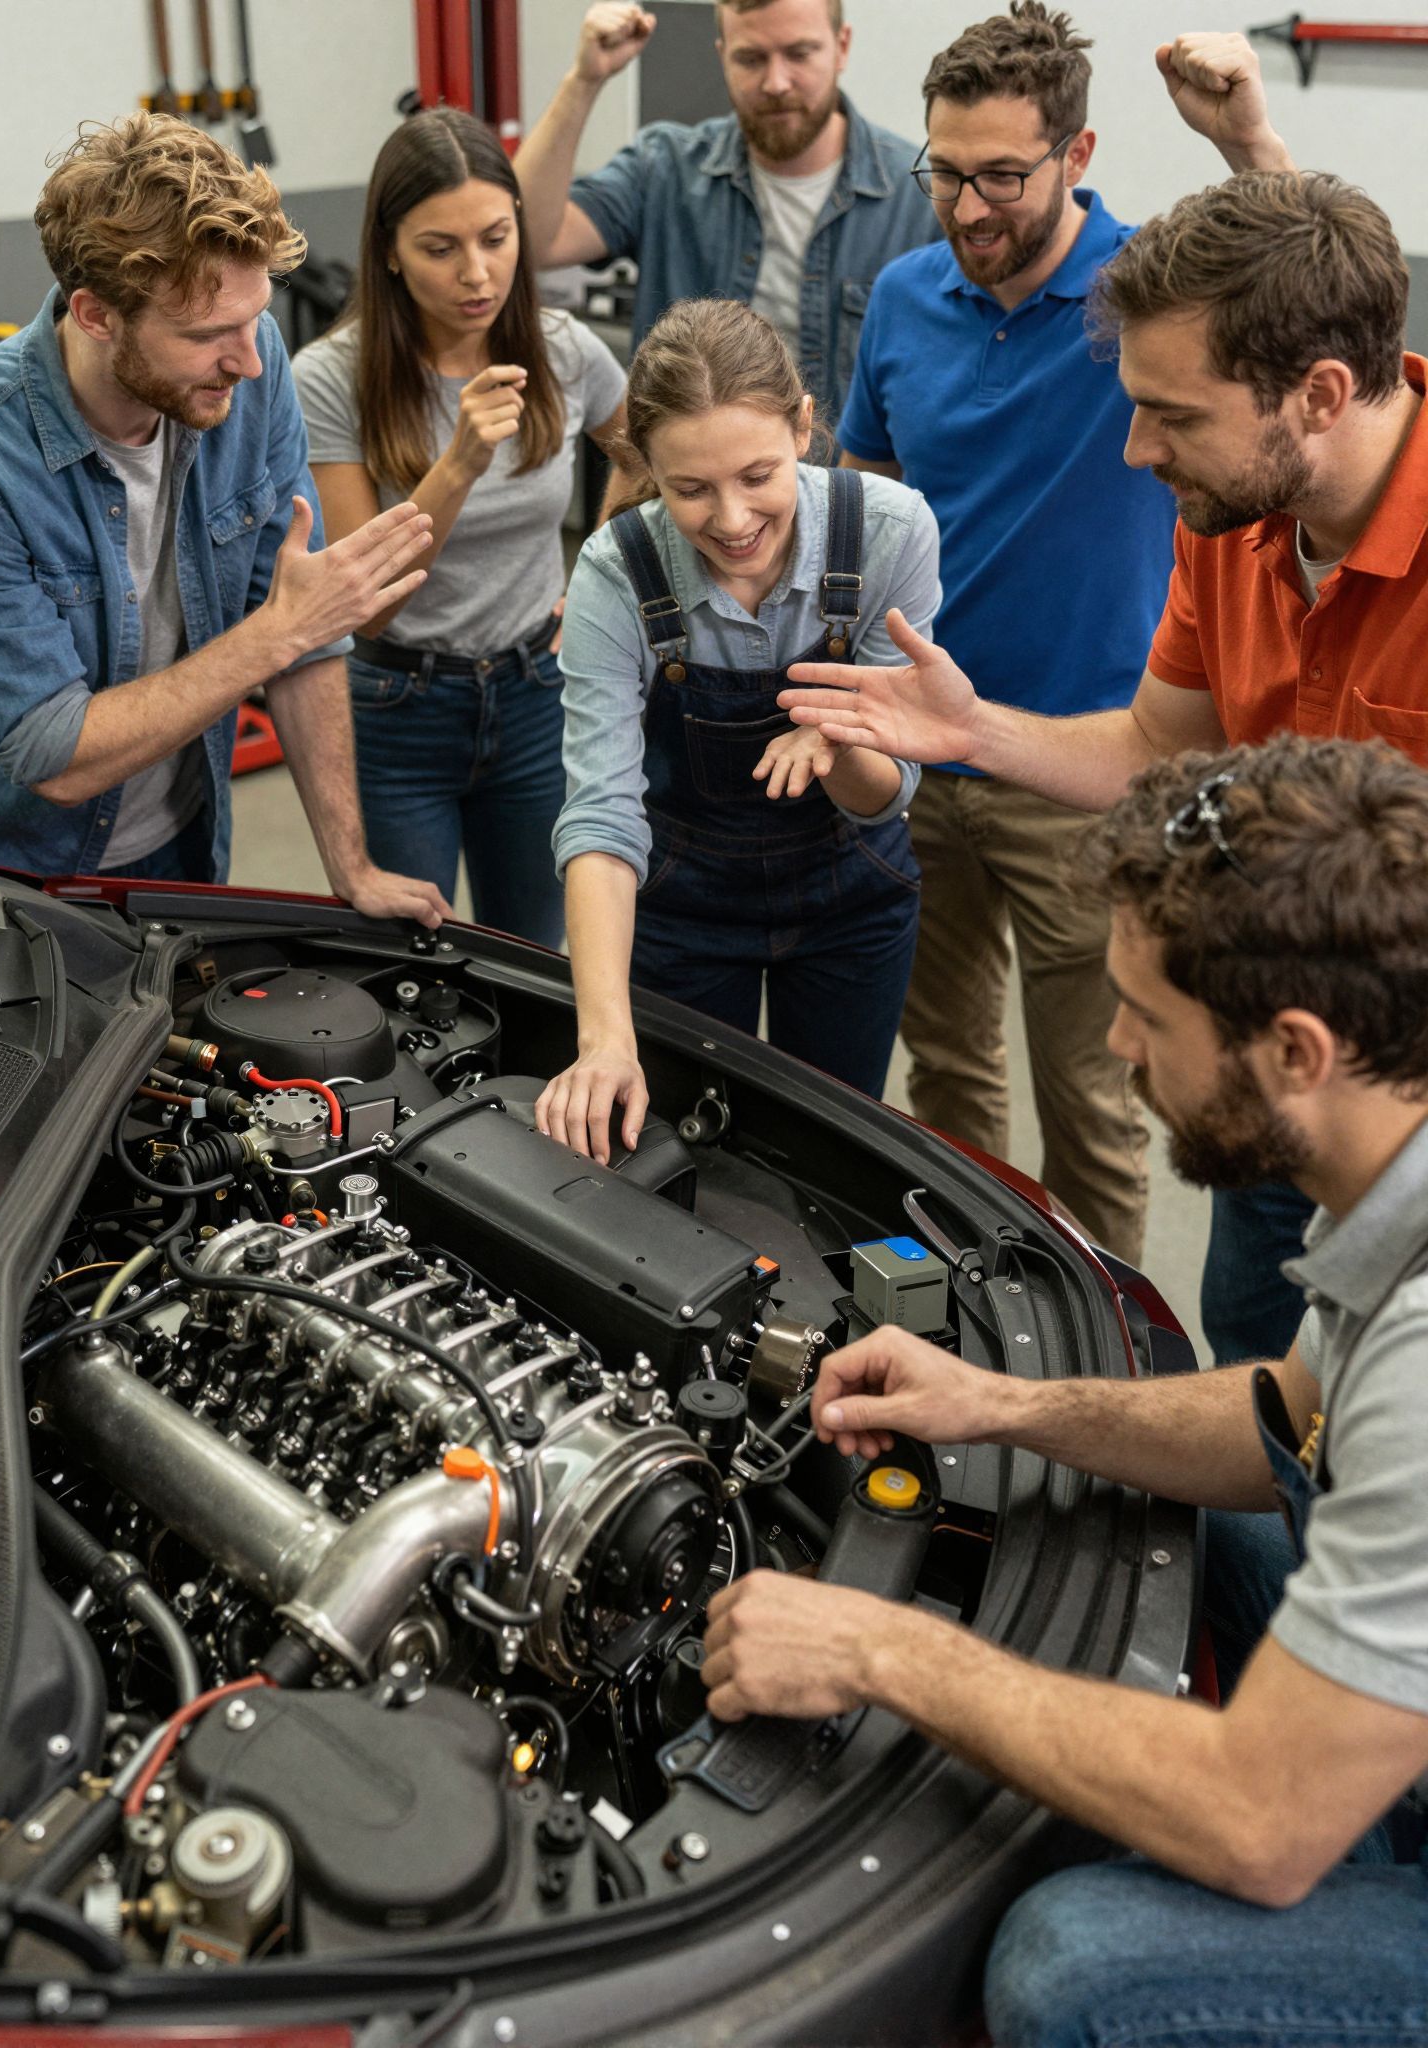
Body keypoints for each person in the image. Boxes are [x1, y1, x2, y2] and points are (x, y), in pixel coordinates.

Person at [702, 734, 1428, 2047]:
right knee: (1188, 1514)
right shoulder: (1394, 1163)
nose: (1116, 1045)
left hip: (1299, 1803)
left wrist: (881, 1649)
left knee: (1070, 1965)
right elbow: (1290, 1412)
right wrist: (999, 1405)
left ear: (1299, 1049)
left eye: (1148, 1017)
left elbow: (1261, 1828)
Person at [783, 165, 1427, 1363]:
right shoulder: (1231, 522)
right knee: (1251, 1357)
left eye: (1174, 414)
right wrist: (975, 731)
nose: (1136, 450)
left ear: (1322, 395)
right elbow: (1154, 749)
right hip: (1284, 1076)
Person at [838, 14, 1292, 1266]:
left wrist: (1246, 135)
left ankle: (1106, 1356)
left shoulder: (1150, 291)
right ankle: (983, 1308)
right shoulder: (901, 293)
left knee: (1097, 1103)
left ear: (1076, 151)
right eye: (945, 171)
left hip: (1089, 771)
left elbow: (1320, 280)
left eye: (1002, 176)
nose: (969, 206)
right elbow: (865, 492)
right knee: (946, 1071)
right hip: (922, 763)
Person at [0, 114, 446, 919]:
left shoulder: (251, 374)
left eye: (255, 318)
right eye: (209, 334)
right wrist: (282, 630)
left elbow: (304, 639)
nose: (250, 360)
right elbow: (54, 752)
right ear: (95, 315)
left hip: (179, 850)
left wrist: (350, 868)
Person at [535, 298, 936, 1162]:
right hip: (683, 907)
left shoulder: (891, 532)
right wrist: (604, 1037)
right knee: (680, 1156)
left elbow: (887, 794)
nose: (731, 519)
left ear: (802, 427)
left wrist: (836, 738)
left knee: (830, 1152)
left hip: (849, 898)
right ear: (645, 465)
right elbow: (602, 818)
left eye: (757, 476)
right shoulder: (615, 570)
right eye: (689, 489)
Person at [292, 111, 627, 949]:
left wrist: (595, 578)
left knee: (544, 950)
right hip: (396, 705)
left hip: (536, 695)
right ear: (390, 250)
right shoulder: (330, 377)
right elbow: (361, 607)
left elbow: (648, 452)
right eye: (441, 248)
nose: (478, 273)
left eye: (497, 237)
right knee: (417, 957)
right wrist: (459, 463)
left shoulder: (565, 350)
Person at [514, 0, 937, 438]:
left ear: (841, 47)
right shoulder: (666, 168)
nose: (775, 82)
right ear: (722, 56)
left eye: (799, 53)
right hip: (685, 491)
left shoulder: (920, 197)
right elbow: (528, 240)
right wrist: (585, 79)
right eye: (750, 59)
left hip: (844, 496)